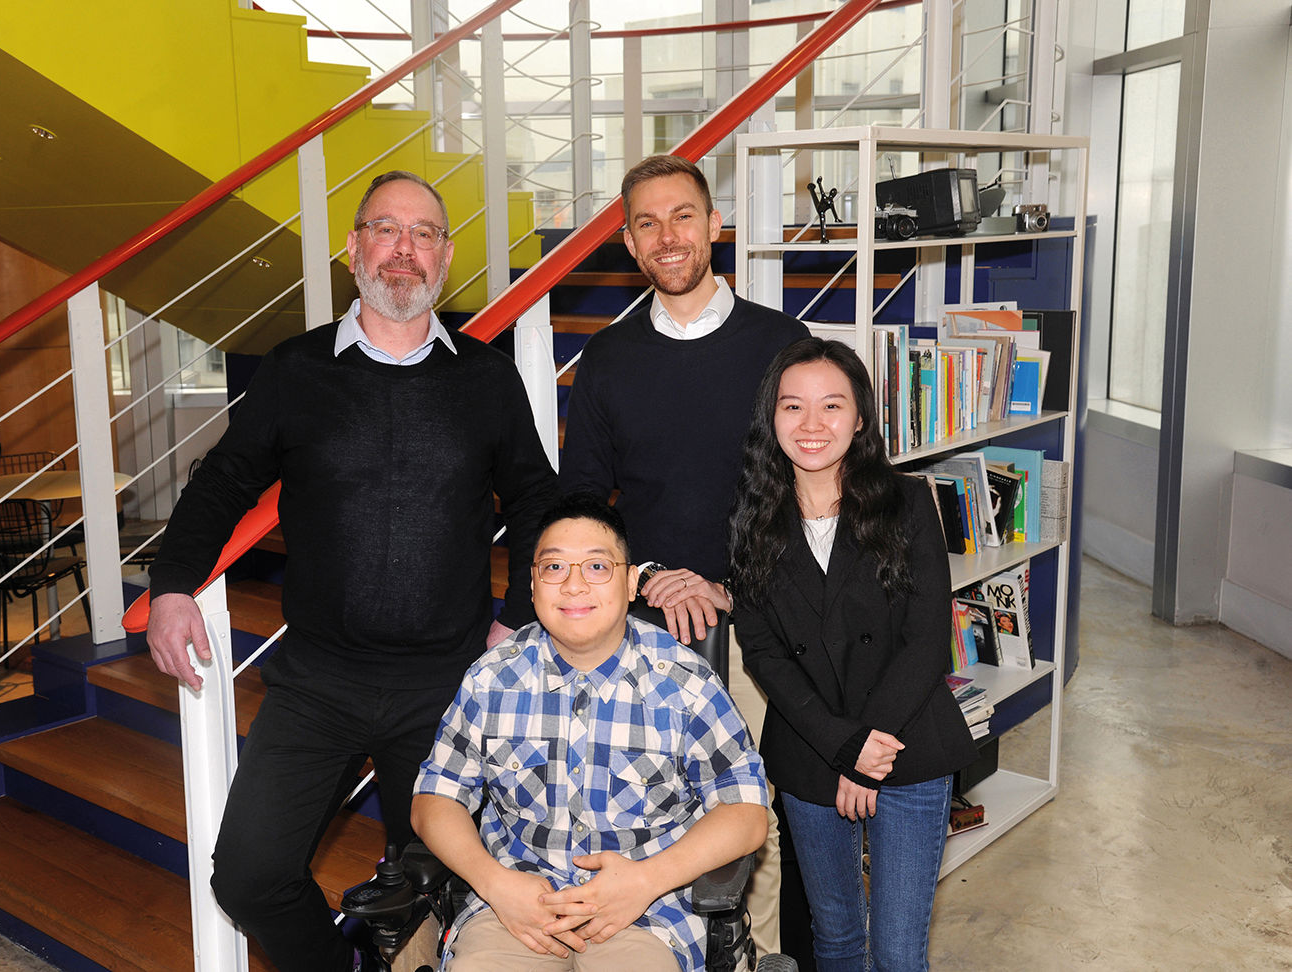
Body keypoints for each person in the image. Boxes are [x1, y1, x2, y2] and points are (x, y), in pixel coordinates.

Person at [144, 170, 558, 972]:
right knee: (250, 876)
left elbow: (537, 497)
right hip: (317, 683)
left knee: (444, 886)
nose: (404, 249)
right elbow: (224, 481)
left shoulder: (485, 376)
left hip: (445, 687)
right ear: (353, 248)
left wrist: (517, 615)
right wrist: (170, 585)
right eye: (386, 229)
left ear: (444, 259)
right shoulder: (295, 369)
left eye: (424, 233)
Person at [558, 153, 806, 956]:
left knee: (749, 822)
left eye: (682, 216)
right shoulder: (607, 359)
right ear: (629, 244)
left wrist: (734, 586)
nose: (667, 236)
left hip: (762, 624)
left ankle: (752, 962)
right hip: (648, 628)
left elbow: (812, 489)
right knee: (649, 818)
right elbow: (581, 501)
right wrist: (648, 576)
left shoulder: (780, 344)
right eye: (647, 223)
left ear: (714, 227)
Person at [411, 493, 768, 972]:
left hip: (646, 913)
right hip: (514, 909)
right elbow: (434, 798)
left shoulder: (685, 682)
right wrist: (496, 884)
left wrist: (645, 881)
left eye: (597, 567)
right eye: (554, 568)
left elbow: (745, 812)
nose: (574, 585)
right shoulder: (491, 678)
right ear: (532, 585)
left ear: (630, 582)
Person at [727, 337, 979, 971]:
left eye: (832, 405)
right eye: (793, 406)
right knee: (836, 941)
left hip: (906, 743)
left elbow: (926, 640)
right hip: (811, 747)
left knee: (897, 952)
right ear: (771, 417)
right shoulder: (751, 516)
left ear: (860, 416)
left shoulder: (908, 502)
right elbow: (762, 648)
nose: (811, 425)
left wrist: (868, 752)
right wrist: (844, 747)